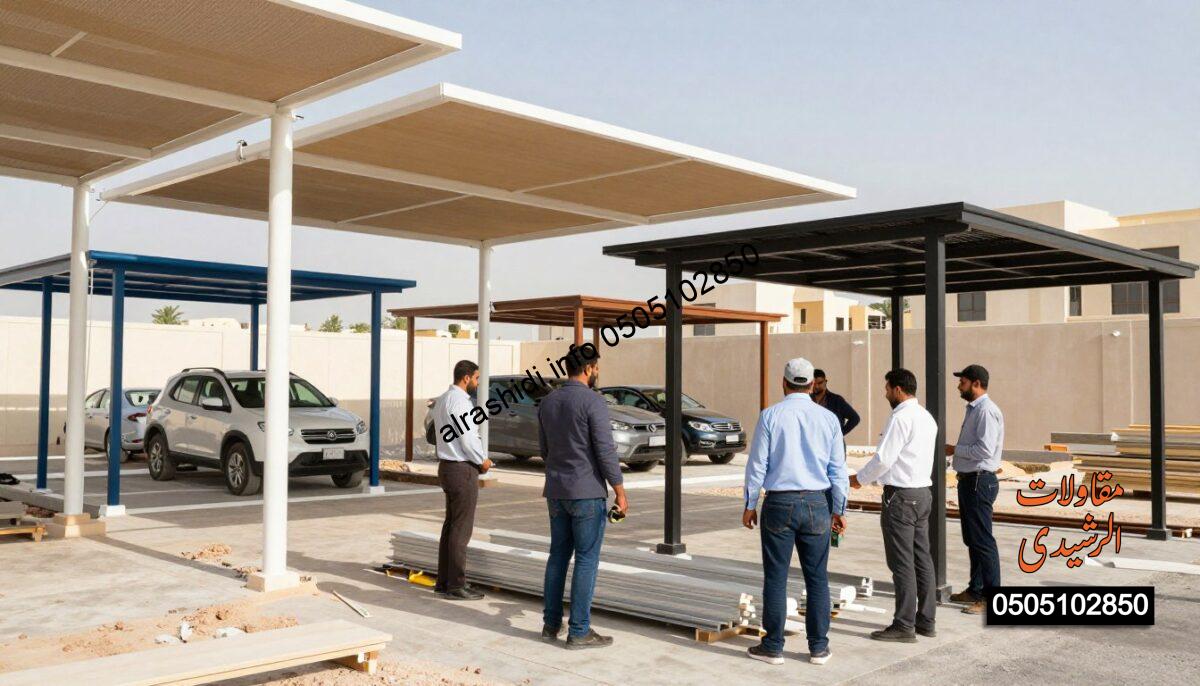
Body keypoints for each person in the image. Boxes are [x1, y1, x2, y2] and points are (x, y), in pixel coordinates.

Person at [743, 357, 848, 667]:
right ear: (812, 384)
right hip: (818, 503)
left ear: (784, 383)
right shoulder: (828, 419)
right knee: (817, 578)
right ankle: (818, 647)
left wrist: (750, 504)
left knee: (775, 578)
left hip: (779, 503)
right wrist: (839, 509)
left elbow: (757, 464)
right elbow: (837, 470)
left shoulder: (770, 416)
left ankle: (773, 646)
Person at [537, 345, 628, 649]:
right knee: (586, 560)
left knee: (558, 556)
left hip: (556, 491)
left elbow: (544, 450)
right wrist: (619, 491)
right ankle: (579, 630)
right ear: (589, 369)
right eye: (596, 367)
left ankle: (550, 625)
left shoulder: (548, 401)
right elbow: (605, 450)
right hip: (586, 492)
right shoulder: (593, 401)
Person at [850, 368, 937, 642]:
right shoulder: (926, 417)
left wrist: (858, 479)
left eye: (887, 388)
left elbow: (884, 459)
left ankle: (904, 625)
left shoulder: (900, 418)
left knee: (901, 562)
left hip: (901, 497)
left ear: (898, 389)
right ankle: (926, 620)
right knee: (922, 558)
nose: (885, 393)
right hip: (923, 493)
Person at [431, 360, 493, 600]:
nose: (477, 383)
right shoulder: (460, 402)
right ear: (466, 378)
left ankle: (444, 582)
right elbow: (467, 439)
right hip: (461, 469)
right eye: (476, 378)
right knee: (461, 528)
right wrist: (483, 461)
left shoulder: (443, 400)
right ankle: (456, 584)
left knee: (451, 526)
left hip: (448, 466)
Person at [944, 364, 1004, 615]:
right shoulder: (974, 409)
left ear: (976, 383)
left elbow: (985, 450)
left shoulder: (986, 411)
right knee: (973, 539)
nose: (959, 386)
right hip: (970, 480)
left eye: (963, 382)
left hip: (980, 480)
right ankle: (976, 589)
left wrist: (953, 449)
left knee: (983, 541)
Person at [812, 369, 861, 436]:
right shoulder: (807, 400)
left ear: (825, 382)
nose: (816, 386)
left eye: (819, 383)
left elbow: (855, 418)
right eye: (814, 384)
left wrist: (840, 434)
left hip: (833, 443)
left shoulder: (836, 400)